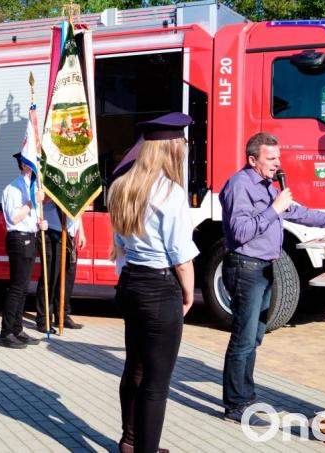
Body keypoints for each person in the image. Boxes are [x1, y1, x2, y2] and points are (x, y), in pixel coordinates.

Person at [219, 132, 325, 425]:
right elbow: (240, 232)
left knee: (255, 336)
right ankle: (235, 405)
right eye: (271, 158)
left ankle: (245, 396)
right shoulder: (240, 185)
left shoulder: (268, 186)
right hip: (245, 267)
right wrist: (274, 209)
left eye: (278, 157)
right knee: (244, 337)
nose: (278, 163)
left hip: (264, 267)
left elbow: (300, 214)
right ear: (253, 160)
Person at [108, 112, 198, 453]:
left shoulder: (123, 186)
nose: (185, 149)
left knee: (135, 368)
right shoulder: (171, 192)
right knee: (156, 384)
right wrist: (188, 295)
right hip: (159, 289)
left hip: (131, 282)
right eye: (182, 143)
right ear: (171, 148)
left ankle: (130, 441)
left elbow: (119, 245)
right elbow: (181, 256)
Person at [0, 152, 46, 349]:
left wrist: (40, 224)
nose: (38, 168)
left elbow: (29, 218)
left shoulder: (30, 188)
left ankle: (17, 329)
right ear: (25, 166)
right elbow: (14, 218)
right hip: (18, 239)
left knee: (24, 288)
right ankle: (6, 333)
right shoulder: (13, 188)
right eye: (35, 165)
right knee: (17, 288)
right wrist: (32, 202)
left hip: (30, 238)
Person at [35, 200, 85, 333]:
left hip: (69, 235)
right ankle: (44, 319)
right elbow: (41, 200)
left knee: (68, 278)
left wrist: (81, 231)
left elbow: (79, 207)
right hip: (52, 232)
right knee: (50, 277)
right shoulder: (47, 185)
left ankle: (62, 316)